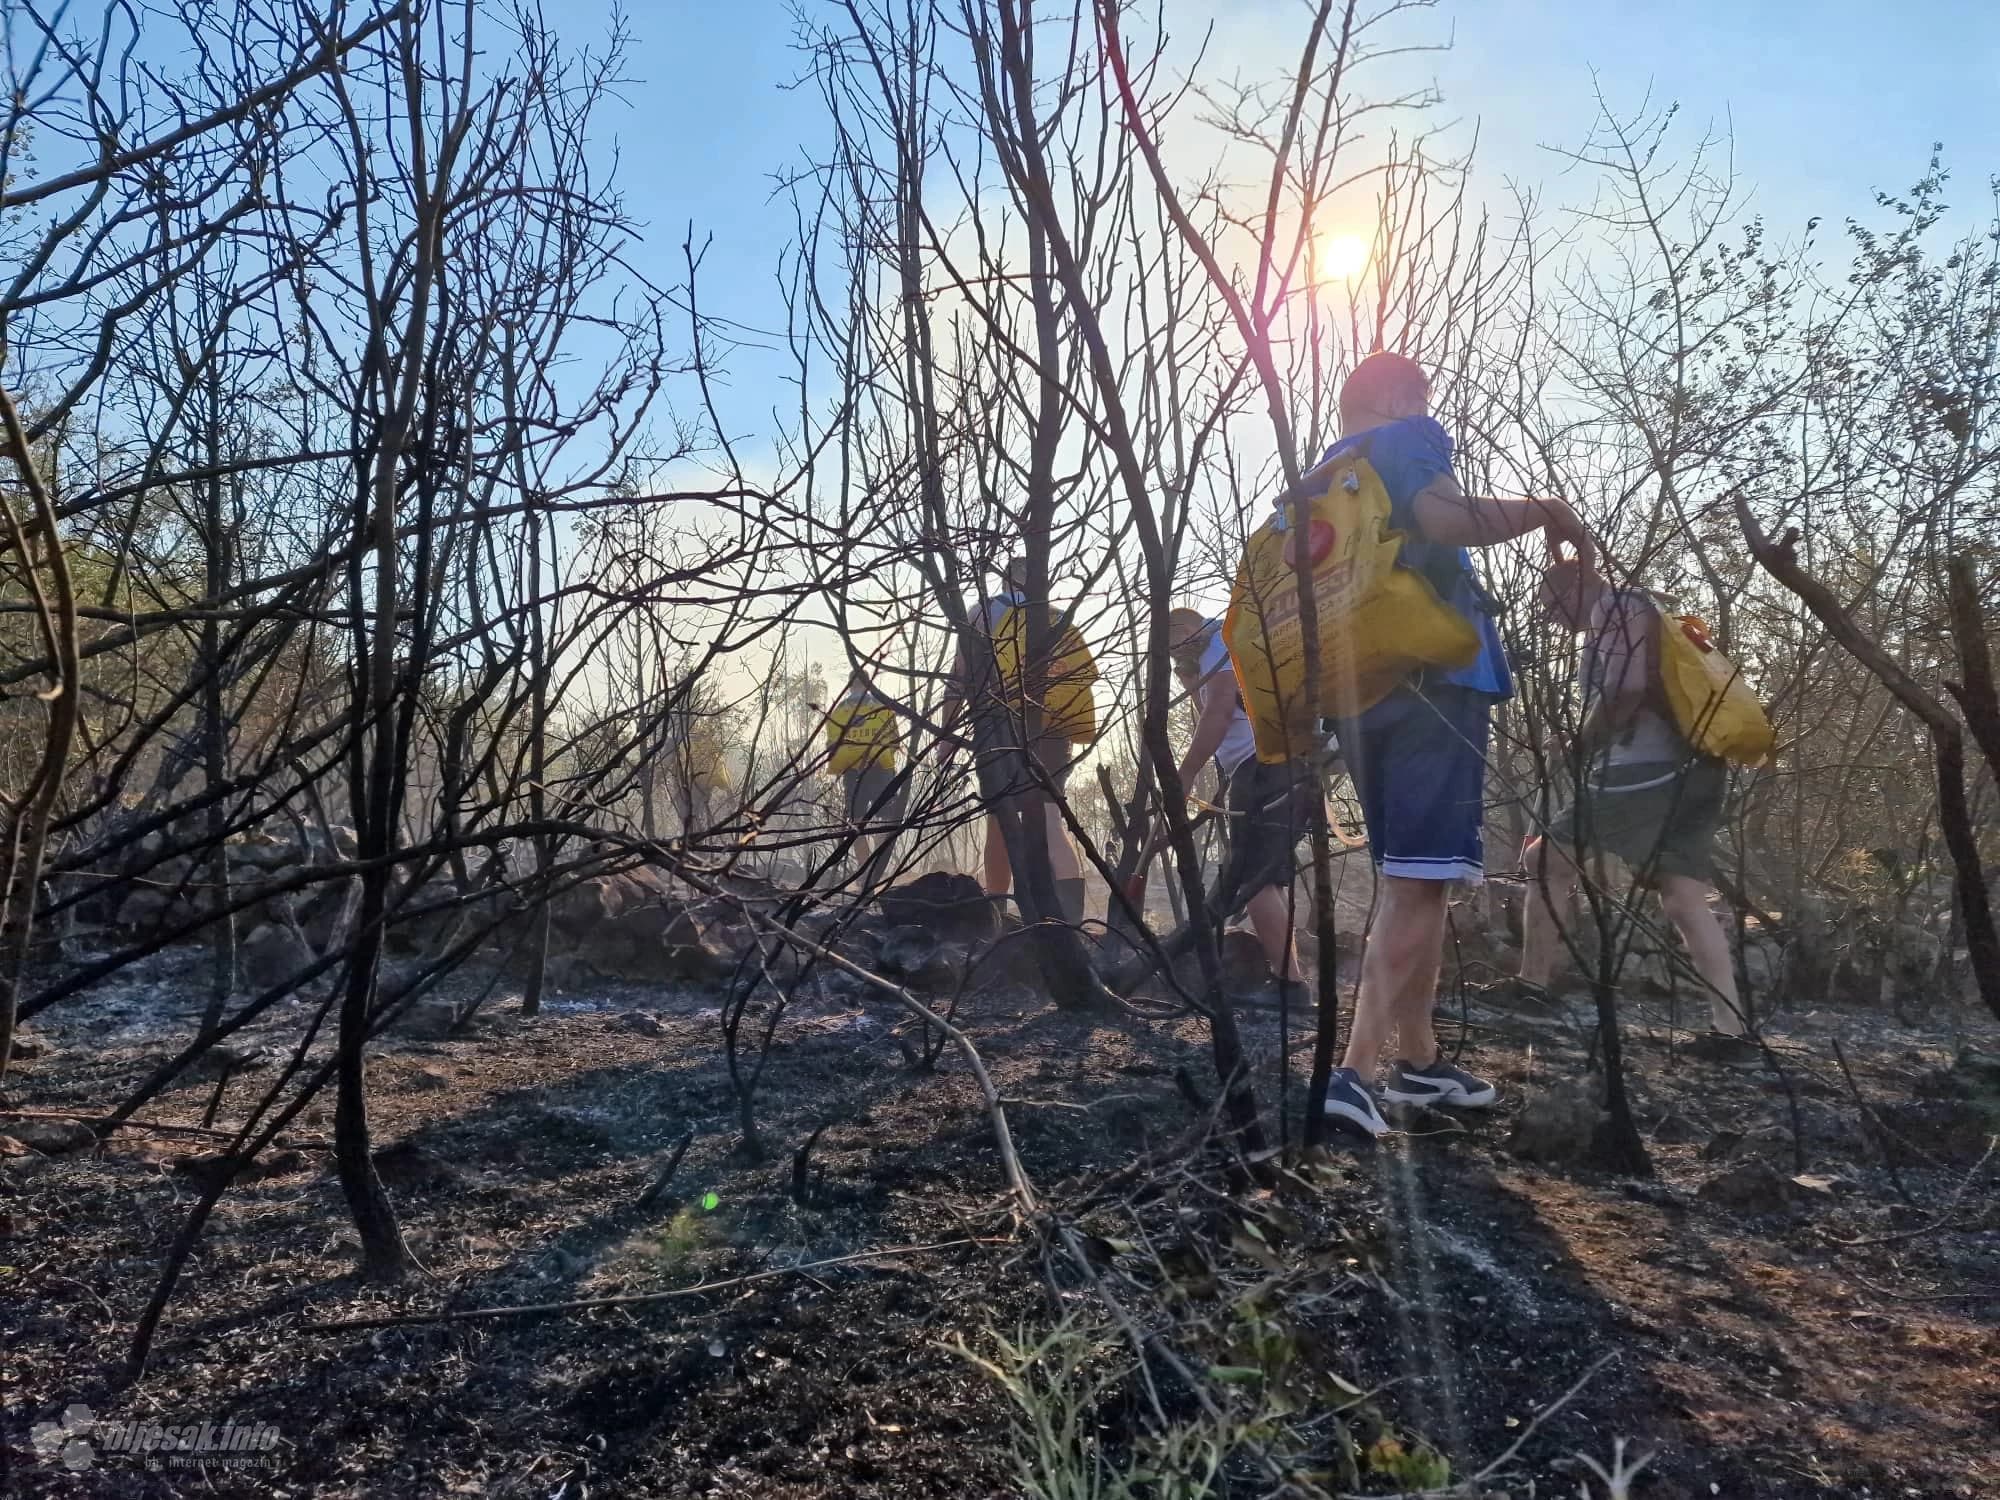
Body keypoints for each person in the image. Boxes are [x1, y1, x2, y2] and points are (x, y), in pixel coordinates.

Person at [1317, 351, 1594, 1136]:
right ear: (1399, 396)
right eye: (1423, 398)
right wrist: (1546, 510)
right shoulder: (1407, 437)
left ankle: (1420, 1061)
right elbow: (1445, 519)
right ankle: (1355, 1074)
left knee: (1420, 880)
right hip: (1434, 686)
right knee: (1415, 884)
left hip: (1361, 691)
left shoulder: (1328, 477)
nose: (1430, 412)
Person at [1517, 556, 1752, 1059]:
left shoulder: (1615, 607)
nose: (1554, 620)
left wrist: (1582, 744)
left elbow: (1626, 693)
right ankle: (1730, 1030)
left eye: (1553, 606)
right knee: (1683, 895)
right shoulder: (1645, 608)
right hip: (1699, 767)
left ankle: (1531, 989)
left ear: (1578, 584)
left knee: (1543, 862)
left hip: (1648, 770)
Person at [1149, 607, 1315, 1004]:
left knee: (1251, 881)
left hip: (1264, 767)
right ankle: (1288, 980)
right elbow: (1221, 709)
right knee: (1263, 879)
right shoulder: (1214, 649)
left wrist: (1184, 775)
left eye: (1171, 645)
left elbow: (1221, 712)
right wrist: (1191, 682)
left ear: (1183, 630)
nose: (1170, 653)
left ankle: (1291, 988)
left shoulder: (1219, 642)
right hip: (1268, 765)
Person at [938, 558, 1093, 925]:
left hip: (999, 725)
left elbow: (960, 674)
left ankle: (997, 914)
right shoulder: (1058, 618)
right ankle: (1071, 924)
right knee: (1051, 819)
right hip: (1053, 729)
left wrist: (947, 732)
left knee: (1000, 818)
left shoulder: (985, 611)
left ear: (1005, 578)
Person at [826, 667, 909, 879]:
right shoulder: (882, 705)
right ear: (868, 682)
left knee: (856, 822)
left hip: (852, 772)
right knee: (884, 820)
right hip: (881, 770)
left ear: (849, 684)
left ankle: (864, 873)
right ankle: (877, 870)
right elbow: (895, 741)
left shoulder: (838, 711)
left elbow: (831, 746)